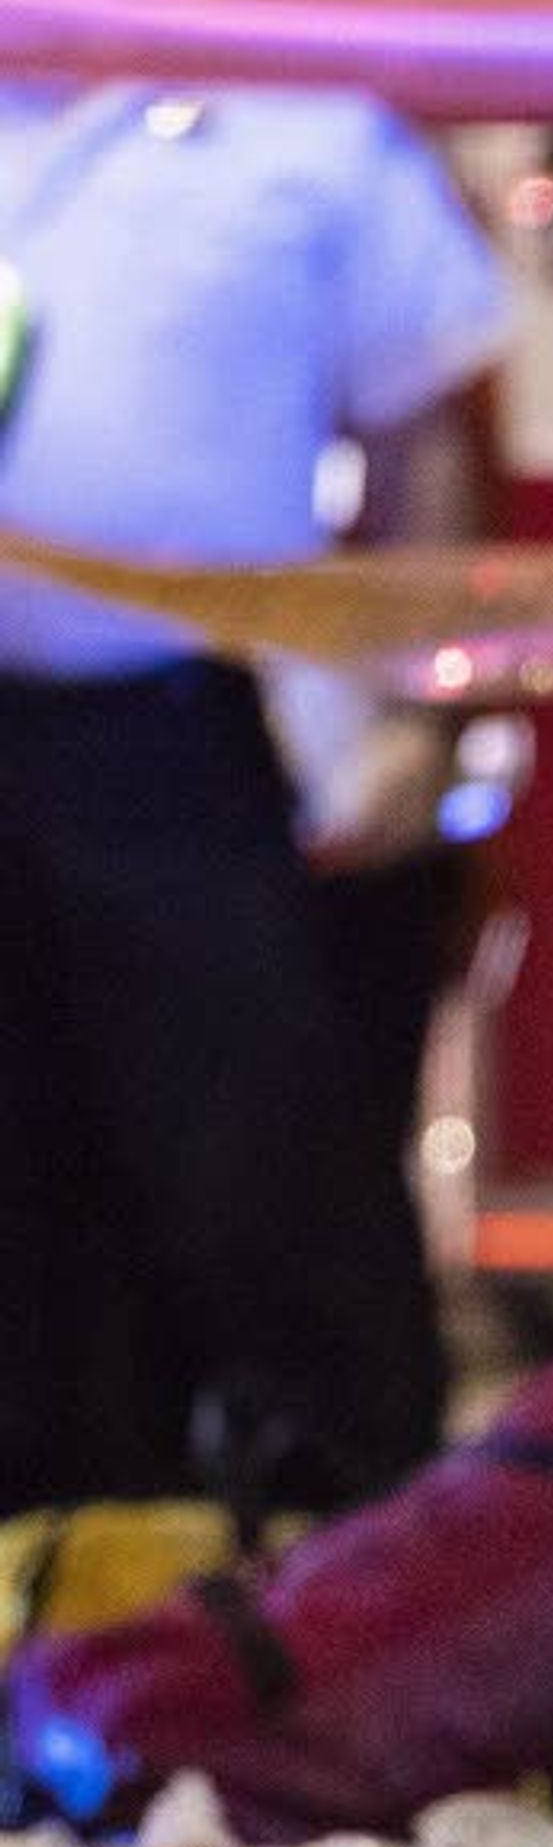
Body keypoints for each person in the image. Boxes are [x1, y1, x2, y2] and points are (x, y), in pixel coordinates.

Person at [0, 77, 511, 1521]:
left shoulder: (309, 119)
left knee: (263, 1187)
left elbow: (422, 440)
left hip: (202, 735)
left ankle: (341, 1587)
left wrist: (418, 707)